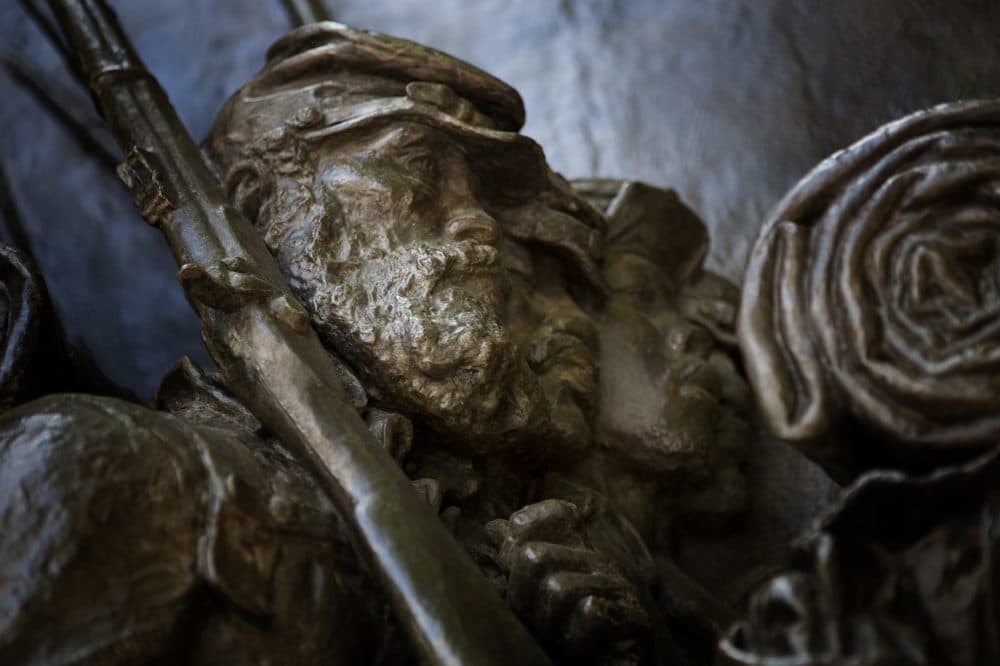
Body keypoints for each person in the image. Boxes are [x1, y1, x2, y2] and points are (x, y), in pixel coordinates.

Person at [0, 22, 749, 665]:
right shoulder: (114, 476)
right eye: (419, 171)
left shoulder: (514, 539)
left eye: (484, 196)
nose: (478, 223)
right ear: (271, 210)